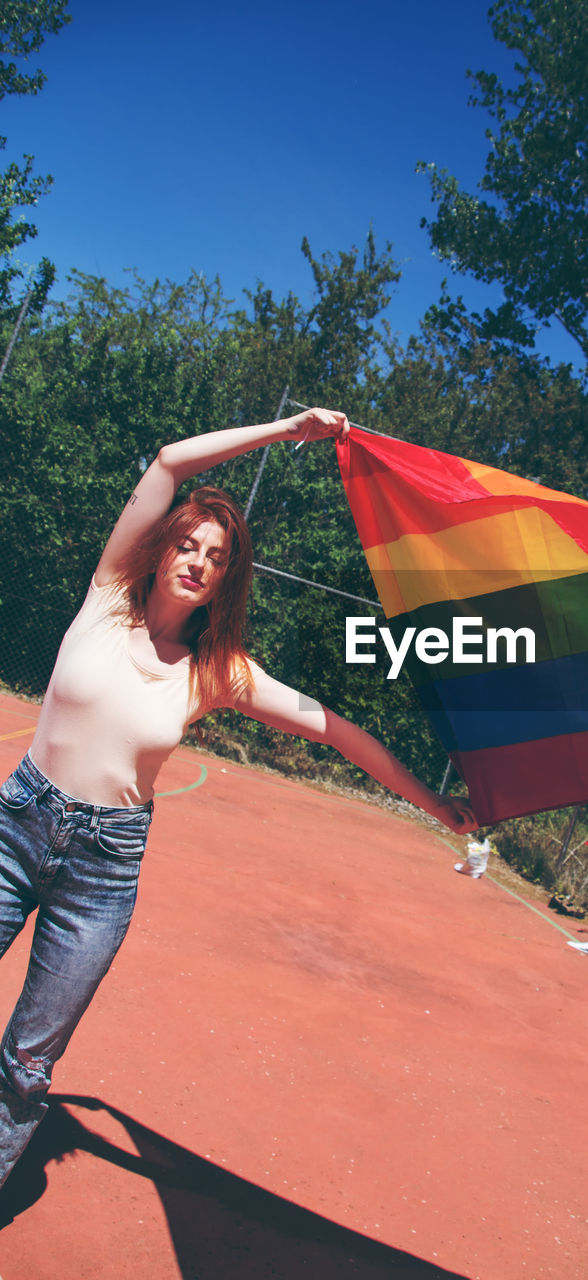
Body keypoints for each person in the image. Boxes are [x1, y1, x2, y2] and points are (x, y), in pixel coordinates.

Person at [0, 407, 477, 1187]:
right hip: (17, 827)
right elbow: (165, 463)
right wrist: (289, 429)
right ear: (160, 552)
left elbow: (338, 732)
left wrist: (431, 802)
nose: (196, 560)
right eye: (186, 544)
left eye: (215, 555)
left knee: (27, 1061)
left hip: (102, 874)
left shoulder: (217, 672)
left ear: (225, 577)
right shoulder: (106, 597)